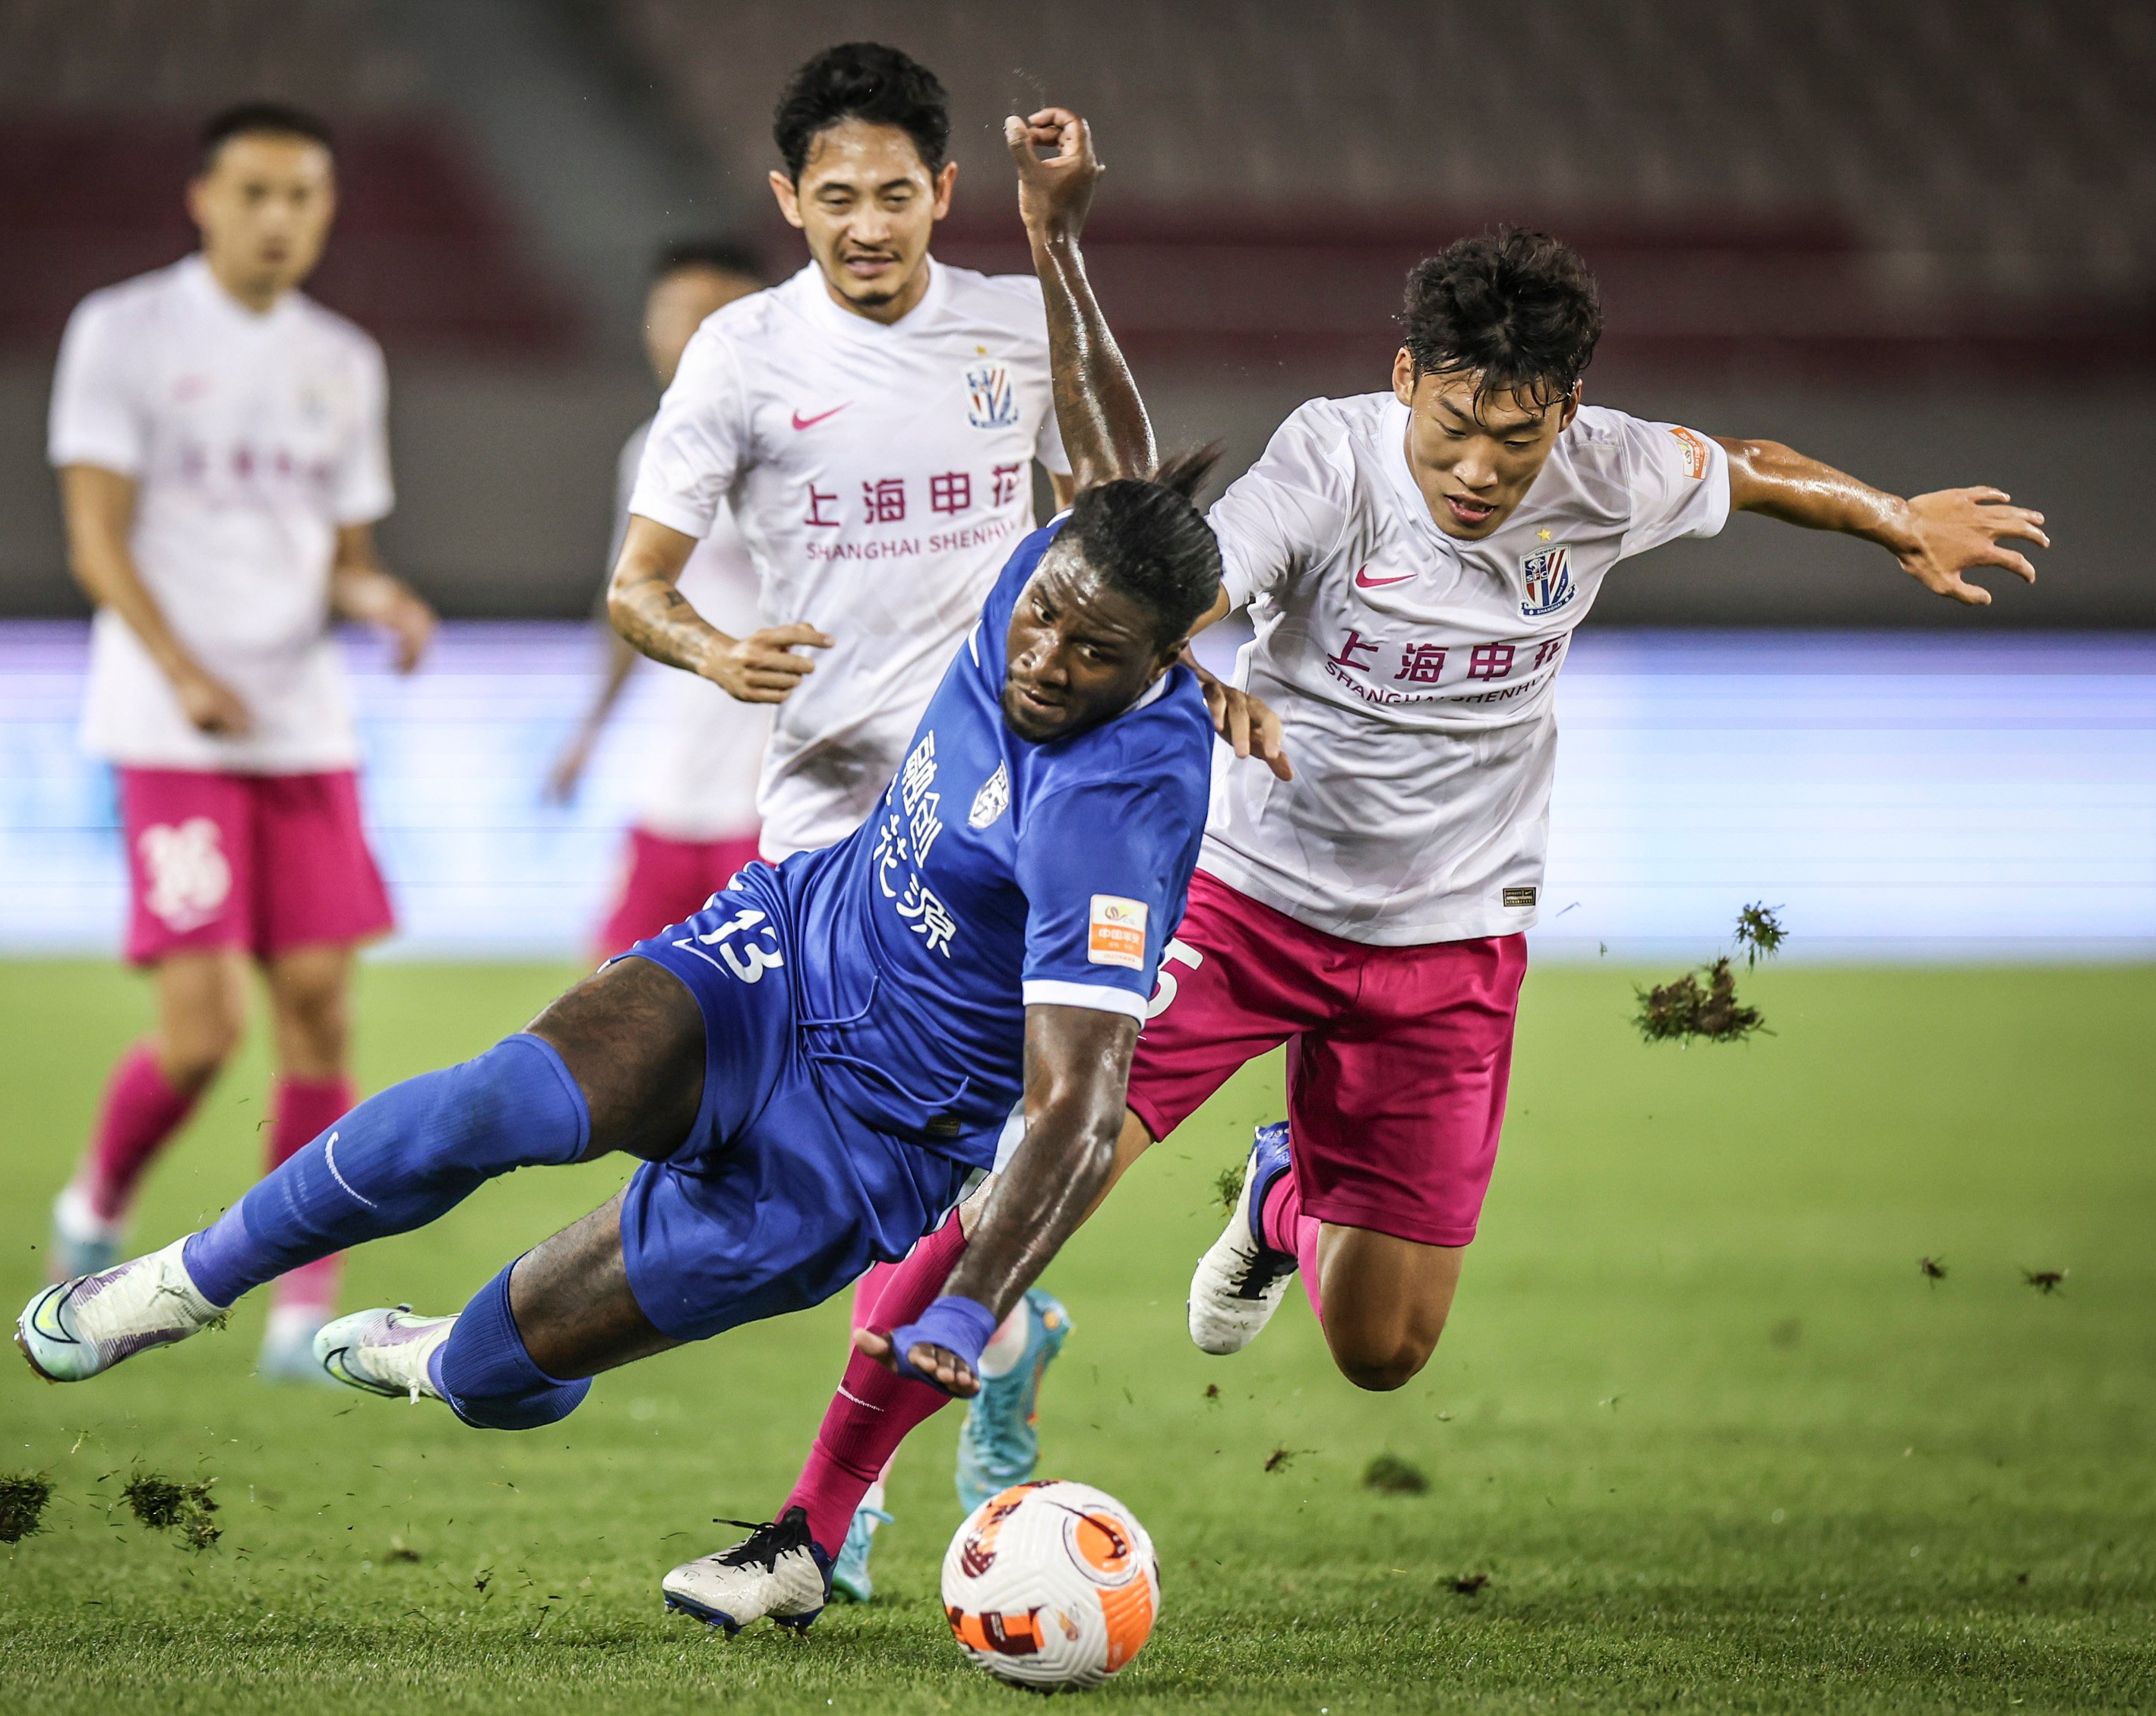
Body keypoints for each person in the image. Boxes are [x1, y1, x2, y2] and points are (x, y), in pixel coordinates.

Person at [672, 102, 2053, 1623]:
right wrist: (1193, 673)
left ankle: (1280, 1199)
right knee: (1013, 1196)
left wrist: (1889, 516)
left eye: (1513, 438)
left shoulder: (1606, 471)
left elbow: (1751, 462)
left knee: (1383, 1349)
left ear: (1565, 412)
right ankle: (806, 1527)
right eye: (1450, 425)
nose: (1475, 468)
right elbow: (1182, 581)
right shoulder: (1328, 464)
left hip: (1447, 944)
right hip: (1236, 902)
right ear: (1402, 378)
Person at [11, 177, 1229, 1639]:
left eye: (1091, 651)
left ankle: (444, 1357)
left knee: (498, 1373)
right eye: (1042, 613)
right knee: (486, 1107)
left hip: (864, 1145)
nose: (1042, 652)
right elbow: (1118, 470)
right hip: (777, 957)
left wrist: (966, 1302)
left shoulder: (1119, 808)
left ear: (1166, 658)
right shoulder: (1076, 557)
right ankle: (180, 1279)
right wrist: (1058, 244)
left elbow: (1081, 1102)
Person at [605, 43, 1085, 1593]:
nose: (867, 221)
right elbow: (636, 584)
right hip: (822, 823)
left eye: (896, 192)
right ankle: (963, 1371)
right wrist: (709, 648)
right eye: (835, 195)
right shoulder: (739, 357)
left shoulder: (1018, 328)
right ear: (785, 200)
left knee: (946, 1152)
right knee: (882, 1164)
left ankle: (876, 1459)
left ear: (944, 193)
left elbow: (1112, 512)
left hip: (1001, 814)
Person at [40, 102, 438, 1383]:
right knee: (204, 1030)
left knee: (319, 1012)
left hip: (301, 727)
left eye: (306, 197)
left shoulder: (344, 358)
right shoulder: (123, 331)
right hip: (171, 726)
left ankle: (293, 1292)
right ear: (202, 198)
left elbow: (343, 559)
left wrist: (380, 601)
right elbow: (96, 536)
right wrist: (183, 672)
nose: (282, 219)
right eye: (258, 193)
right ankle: (98, 1199)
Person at [545, 242, 775, 959]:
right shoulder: (650, 451)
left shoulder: (799, 451)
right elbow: (634, 599)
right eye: (675, 314)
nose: (689, 335)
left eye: (713, 315)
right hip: (674, 787)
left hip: (769, 799)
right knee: (607, 1010)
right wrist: (591, 729)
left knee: (765, 1030)